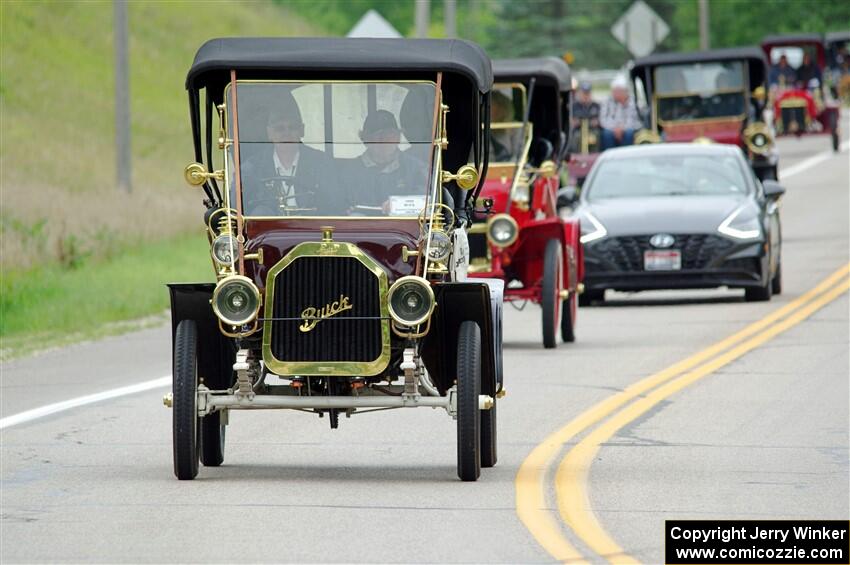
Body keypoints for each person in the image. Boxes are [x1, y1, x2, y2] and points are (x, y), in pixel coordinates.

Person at [239, 93, 340, 215]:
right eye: (279, 128)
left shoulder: (322, 163)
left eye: (292, 127)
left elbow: (334, 203)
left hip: (311, 229)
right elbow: (238, 206)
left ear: (302, 130)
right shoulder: (253, 166)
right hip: (270, 230)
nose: (286, 133)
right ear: (269, 133)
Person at [348, 110, 427, 210]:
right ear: (365, 139)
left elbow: (428, 202)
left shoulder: (416, 168)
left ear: (398, 138)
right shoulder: (350, 171)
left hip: (404, 224)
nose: (384, 140)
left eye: (390, 135)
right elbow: (339, 204)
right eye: (377, 136)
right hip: (360, 224)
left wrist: (399, 205)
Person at [599, 77, 642, 150]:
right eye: (615, 91)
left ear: (625, 91)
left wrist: (622, 129)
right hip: (612, 129)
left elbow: (635, 119)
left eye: (619, 91)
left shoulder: (634, 102)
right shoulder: (607, 102)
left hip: (629, 128)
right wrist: (615, 129)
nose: (616, 94)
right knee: (607, 134)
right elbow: (603, 119)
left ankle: (627, 153)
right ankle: (609, 154)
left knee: (629, 133)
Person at [489, 91, 522, 162]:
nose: (488, 110)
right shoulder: (483, 129)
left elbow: (519, 156)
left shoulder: (516, 127)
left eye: (491, 107)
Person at [570, 80, 600, 152]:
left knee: (596, 136)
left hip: (592, 130)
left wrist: (596, 122)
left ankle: (594, 155)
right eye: (584, 93)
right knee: (576, 137)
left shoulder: (596, 106)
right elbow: (572, 121)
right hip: (578, 131)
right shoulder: (574, 106)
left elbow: (599, 120)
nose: (585, 96)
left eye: (587, 93)